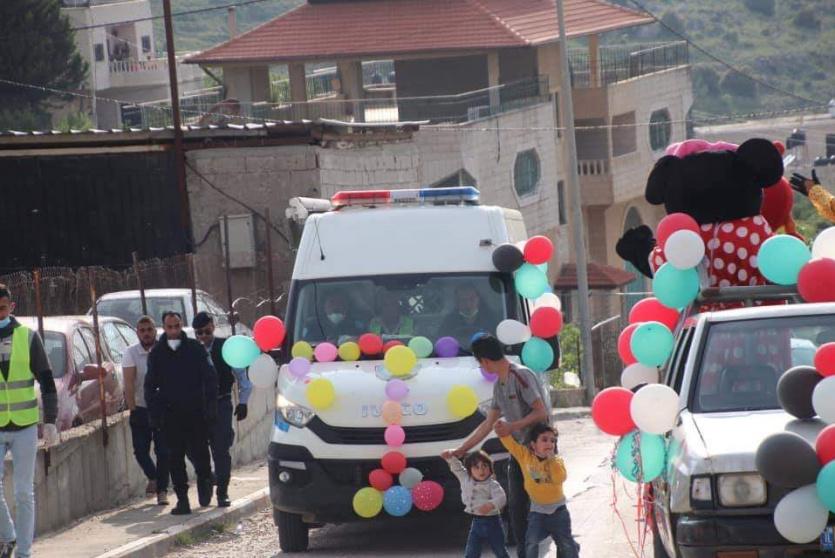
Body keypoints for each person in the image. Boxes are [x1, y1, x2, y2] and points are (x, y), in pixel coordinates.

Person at [443, 334, 550, 558]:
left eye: (479, 362)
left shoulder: (520, 375)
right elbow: (487, 424)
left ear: (485, 361)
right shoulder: (499, 385)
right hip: (518, 454)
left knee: (544, 511)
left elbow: (541, 412)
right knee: (517, 510)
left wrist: (512, 426)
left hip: (538, 454)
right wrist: (461, 450)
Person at [0, 283, 59, 558]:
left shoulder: (28, 337)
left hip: (23, 426)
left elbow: (47, 380)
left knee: (24, 493)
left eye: (1, 307)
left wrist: (51, 420)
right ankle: (9, 536)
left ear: (11, 307)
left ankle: (24, 553)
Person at [145, 311, 217, 515]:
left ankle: (205, 481)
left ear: (181, 325)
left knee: (201, 454)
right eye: (170, 327)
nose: (174, 331)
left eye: (177, 326)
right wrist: (154, 414)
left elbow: (210, 379)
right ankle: (183, 499)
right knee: (174, 458)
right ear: (164, 328)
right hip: (170, 415)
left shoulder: (195, 349)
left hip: (195, 412)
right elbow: (150, 386)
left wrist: (210, 409)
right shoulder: (158, 353)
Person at [192, 311, 252, 507]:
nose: (203, 337)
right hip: (197, 407)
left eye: (206, 331)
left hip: (221, 404)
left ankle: (223, 491)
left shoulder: (225, 348)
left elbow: (243, 378)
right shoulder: (191, 351)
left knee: (220, 449)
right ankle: (208, 478)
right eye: (199, 333)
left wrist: (243, 402)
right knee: (194, 448)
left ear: (213, 327)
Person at [497, 422, 579, 558]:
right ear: (533, 444)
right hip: (537, 512)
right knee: (531, 542)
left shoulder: (557, 461)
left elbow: (560, 478)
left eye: (553, 440)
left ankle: (573, 547)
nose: (549, 443)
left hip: (558, 512)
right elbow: (511, 445)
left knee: (566, 543)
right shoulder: (525, 456)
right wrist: (502, 433)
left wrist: (551, 459)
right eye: (544, 440)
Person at [122, 316, 169, 506]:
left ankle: (162, 491)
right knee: (140, 451)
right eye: (142, 330)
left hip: (162, 409)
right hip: (141, 408)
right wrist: (133, 408)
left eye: (149, 329)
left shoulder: (163, 350)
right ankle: (155, 478)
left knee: (163, 451)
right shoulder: (131, 353)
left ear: (155, 331)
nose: (146, 333)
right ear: (137, 333)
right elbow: (129, 382)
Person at [441, 449, 509, 558]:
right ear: (469, 470)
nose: (481, 470)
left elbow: (501, 497)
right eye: (476, 467)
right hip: (476, 523)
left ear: (490, 468)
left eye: (484, 466)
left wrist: (491, 504)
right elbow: (458, 468)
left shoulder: (492, 484)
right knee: (471, 552)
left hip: (493, 523)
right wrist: (449, 458)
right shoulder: (465, 478)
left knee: (500, 551)